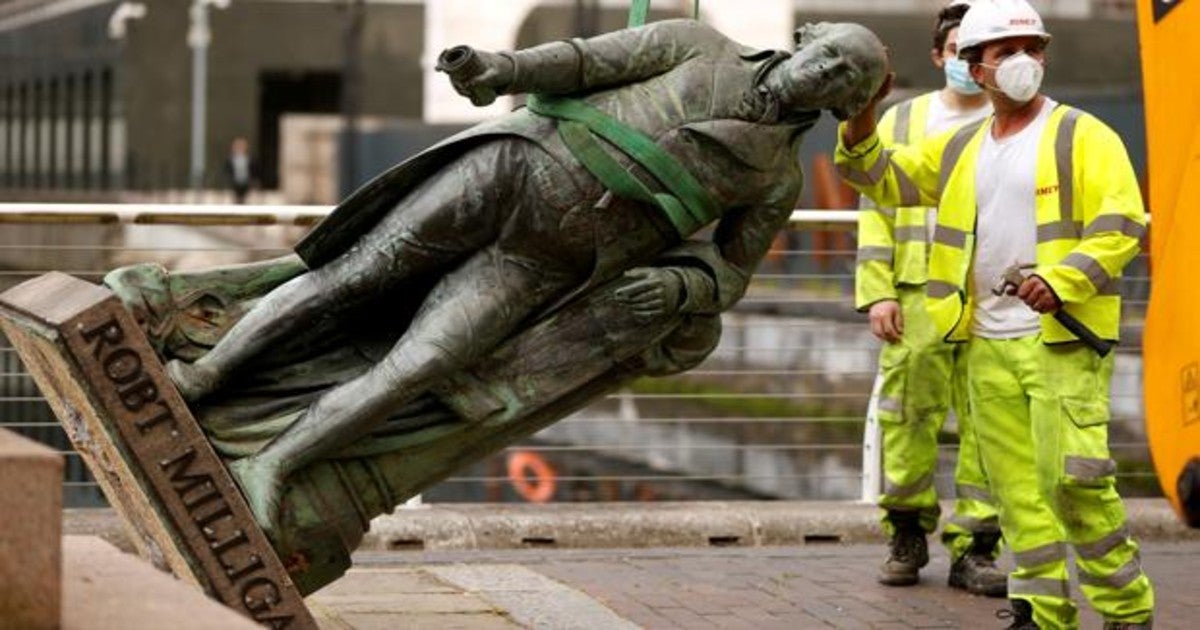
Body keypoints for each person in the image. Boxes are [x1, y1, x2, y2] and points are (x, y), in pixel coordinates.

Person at [166, 19, 889, 533]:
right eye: (830, 56)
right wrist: (500, 71)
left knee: (420, 366)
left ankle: (275, 464)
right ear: (807, 42)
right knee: (351, 277)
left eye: (844, 79)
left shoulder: (775, 181)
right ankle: (202, 379)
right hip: (512, 171)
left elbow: (731, 273)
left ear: (841, 103)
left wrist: (680, 288)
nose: (826, 74)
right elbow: (584, 62)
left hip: (548, 262)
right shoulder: (697, 44)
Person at [836, 1, 1154, 627]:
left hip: (1058, 341)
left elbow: (1121, 226)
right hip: (986, 342)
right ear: (975, 69)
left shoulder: (1083, 136)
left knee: (1074, 481)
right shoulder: (959, 148)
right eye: (1005, 53)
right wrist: (863, 106)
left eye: (1032, 49)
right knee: (1016, 494)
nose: (1022, 63)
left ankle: (1125, 611)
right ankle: (1041, 610)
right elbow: (876, 175)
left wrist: (1060, 281)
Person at [855, 0, 1006, 597]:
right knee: (907, 419)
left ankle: (975, 547)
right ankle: (907, 533)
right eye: (956, 52)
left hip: (988, 295)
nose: (965, 64)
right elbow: (876, 211)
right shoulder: (900, 122)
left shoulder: (1011, 123)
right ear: (940, 55)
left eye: (977, 54)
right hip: (916, 297)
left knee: (986, 424)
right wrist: (878, 294)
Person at [225, 137, 256, 204]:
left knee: (244, 199)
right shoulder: (230, 159)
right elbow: (227, 171)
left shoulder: (250, 159)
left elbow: (253, 170)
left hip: (246, 182)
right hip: (235, 182)